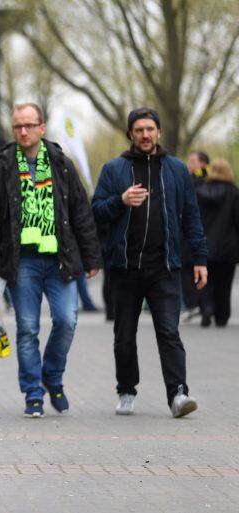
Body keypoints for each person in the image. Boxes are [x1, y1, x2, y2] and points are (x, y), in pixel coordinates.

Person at [0, 103, 102, 418]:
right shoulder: (2, 167)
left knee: (66, 321)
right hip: (23, 263)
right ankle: (33, 392)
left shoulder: (61, 163)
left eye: (29, 125)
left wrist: (91, 256)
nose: (23, 131)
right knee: (28, 329)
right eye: (18, 126)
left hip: (60, 260)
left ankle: (52, 376)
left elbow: (81, 213)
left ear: (41, 128)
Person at [92, 107, 207, 418]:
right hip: (125, 267)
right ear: (131, 134)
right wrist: (120, 201)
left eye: (149, 129)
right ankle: (127, 389)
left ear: (158, 133)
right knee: (124, 336)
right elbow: (96, 212)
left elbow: (192, 217)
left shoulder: (177, 170)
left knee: (169, 331)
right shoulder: (114, 169)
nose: (144, 135)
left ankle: (178, 394)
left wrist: (200, 259)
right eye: (138, 129)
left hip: (164, 267)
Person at [194, 158, 239, 327]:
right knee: (224, 283)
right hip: (227, 246)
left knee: (204, 280)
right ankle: (222, 315)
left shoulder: (198, 190)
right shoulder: (233, 193)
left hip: (203, 244)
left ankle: (206, 307)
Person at [180, 150, 210, 318]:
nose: (188, 164)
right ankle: (200, 304)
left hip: (196, 231)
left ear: (202, 164)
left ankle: (197, 304)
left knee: (191, 268)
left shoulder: (200, 182)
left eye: (192, 161)